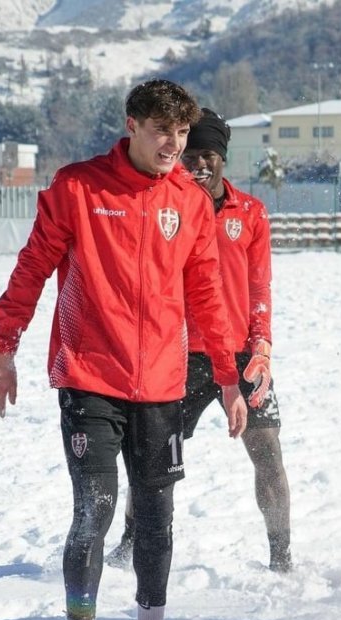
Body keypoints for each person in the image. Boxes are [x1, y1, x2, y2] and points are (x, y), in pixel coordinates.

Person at [0, 79, 247, 620]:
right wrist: (3, 349)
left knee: (155, 518)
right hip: (89, 375)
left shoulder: (190, 203)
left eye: (179, 132)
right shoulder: (78, 187)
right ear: (132, 127)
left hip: (162, 385)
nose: (173, 145)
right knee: (95, 510)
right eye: (161, 131)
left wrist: (228, 376)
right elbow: (30, 269)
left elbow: (208, 297)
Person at [106, 108, 293, 573]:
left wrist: (263, 347)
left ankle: (282, 555)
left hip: (243, 356)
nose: (199, 165)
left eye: (208, 155)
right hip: (177, 356)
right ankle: (132, 541)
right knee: (154, 462)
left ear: (224, 159)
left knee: (268, 455)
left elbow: (259, 288)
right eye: (191, 157)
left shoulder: (250, 213)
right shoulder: (166, 208)